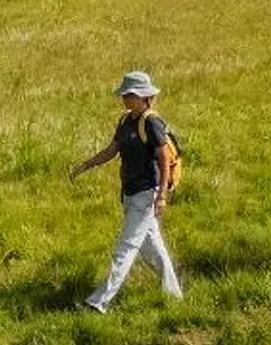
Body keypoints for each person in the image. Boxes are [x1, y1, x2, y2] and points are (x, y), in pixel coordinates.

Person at [67, 70, 184, 312]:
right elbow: (112, 150)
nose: (124, 99)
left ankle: (98, 303)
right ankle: (174, 296)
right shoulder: (125, 121)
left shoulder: (151, 123)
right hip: (130, 193)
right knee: (154, 246)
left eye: (129, 95)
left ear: (144, 97)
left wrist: (161, 196)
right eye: (124, 94)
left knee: (126, 248)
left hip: (146, 193)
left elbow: (164, 159)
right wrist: (86, 165)